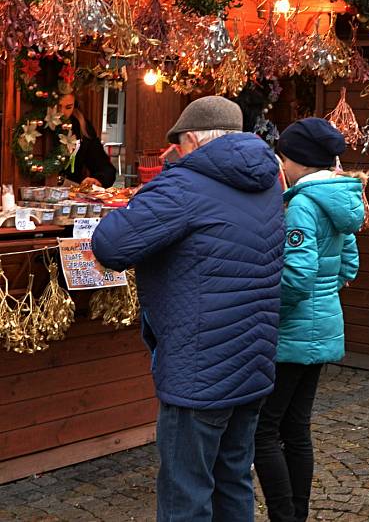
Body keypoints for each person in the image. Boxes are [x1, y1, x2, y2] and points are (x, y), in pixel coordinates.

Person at [91, 96, 285, 522]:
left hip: (200, 366)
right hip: (252, 359)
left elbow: (110, 244)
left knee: (186, 494)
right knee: (233, 479)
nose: (173, 154)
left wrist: (160, 183)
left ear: (193, 140)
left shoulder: (183, 185)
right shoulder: (268, 181)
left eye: (177, 146)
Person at [253, 117, 364, 522]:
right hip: (325, 323)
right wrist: (325, 292)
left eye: (284, 158)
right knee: (295, 427)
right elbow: (349, 264)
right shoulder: (338, 201)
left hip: (294, 330)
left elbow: (296, 276)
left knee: (264, 431)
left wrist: (270, 313)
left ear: (298, 161)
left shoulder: (302, 203)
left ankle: (284, 515)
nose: (282, 166)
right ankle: (296, 514)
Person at [58, 92, 117, 188]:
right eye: (58, 106)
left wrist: (97, 180)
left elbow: (104, 167)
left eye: (68, 107)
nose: (62, 112)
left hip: (70, 191)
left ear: (75, 106)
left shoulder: (82, 128)